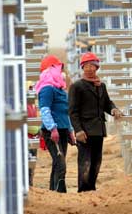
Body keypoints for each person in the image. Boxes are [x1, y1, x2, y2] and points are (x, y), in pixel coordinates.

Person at [68, 51, 122, 192]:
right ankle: (83, 191)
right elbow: (72, 111)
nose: (90, 68)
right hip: (84, 131)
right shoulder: (77, 86)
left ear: (97, 67)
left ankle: (91, 189)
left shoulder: (101, 86)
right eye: (87, 66)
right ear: (82, 67)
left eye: (93, 66)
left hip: (98, 130)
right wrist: (78, 130)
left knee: (96, 162)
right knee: (85, 162)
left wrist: (114, 110)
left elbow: (107, 103)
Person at [35, 54, 71, 193]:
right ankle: (60, 193)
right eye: (58, 68)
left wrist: (70, 130)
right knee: (60, 163)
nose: (61, 72)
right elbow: (45, 110)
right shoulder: (47, 89)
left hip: (62, 130)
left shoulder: (60, 90)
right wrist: (52, 129)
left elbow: (65, 112)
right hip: (52, 132)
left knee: (58, 163)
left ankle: (52, 192)